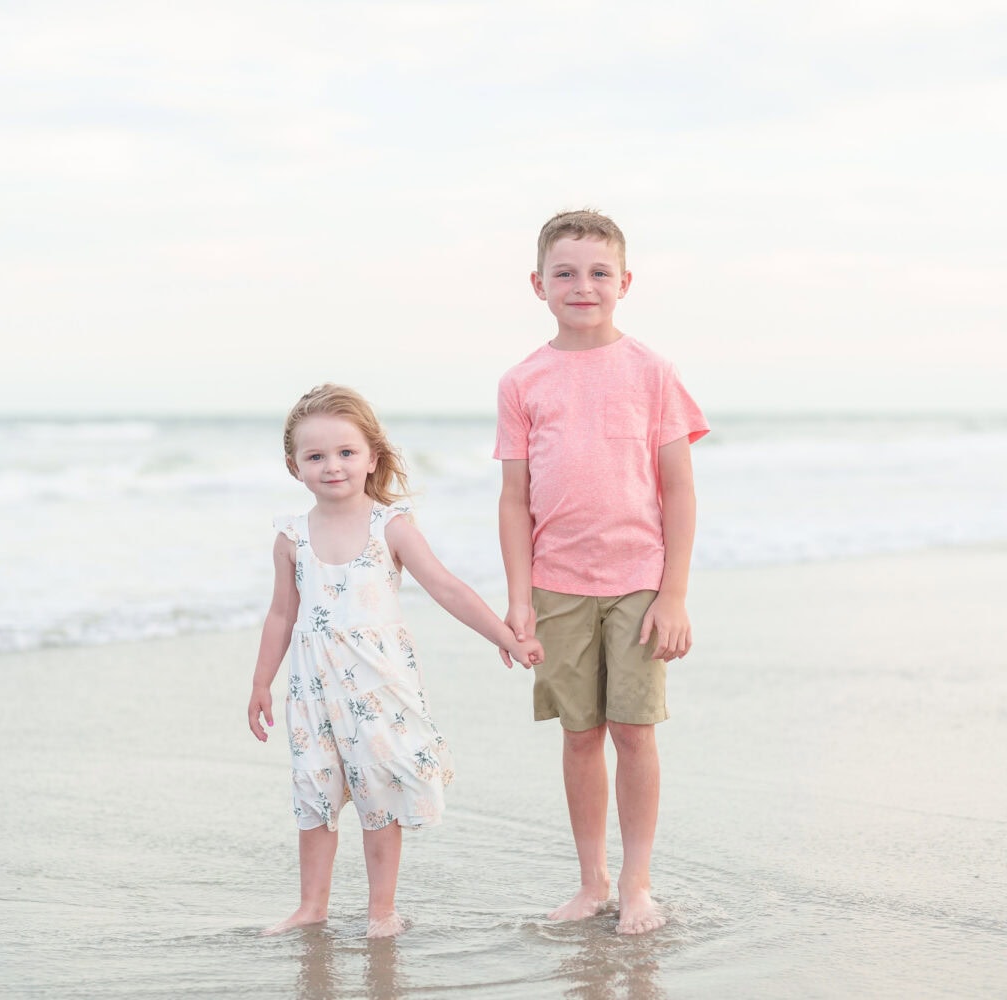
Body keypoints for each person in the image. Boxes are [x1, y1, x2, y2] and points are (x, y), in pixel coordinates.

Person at [248, 383, 544, 938]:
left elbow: (447, 588)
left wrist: (504, 636)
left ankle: (381, 910)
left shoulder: (391, 526)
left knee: (377, 793)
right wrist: (262, 681)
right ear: (295, 467)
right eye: (315, 457)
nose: (332, 466)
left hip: (377, 688)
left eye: (345, 453)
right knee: (315, 792)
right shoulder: (291, 538)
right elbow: (280, 617)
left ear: (371, 458)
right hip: (313, 691)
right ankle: (312, 906)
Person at [495, 209, 709, 935]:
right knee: (580, 734)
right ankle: (593, 884)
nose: (581, 285)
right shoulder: (523, 381)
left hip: (639, 583)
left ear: (624, 282)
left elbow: (678, 488)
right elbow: (514, 498)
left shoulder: (653, 374)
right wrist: (519, 600)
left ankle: (639, 885)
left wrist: (673, 593)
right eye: (564, 273)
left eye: (596, 273)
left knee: (634, 730)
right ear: (538, 284)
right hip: (556, 584)